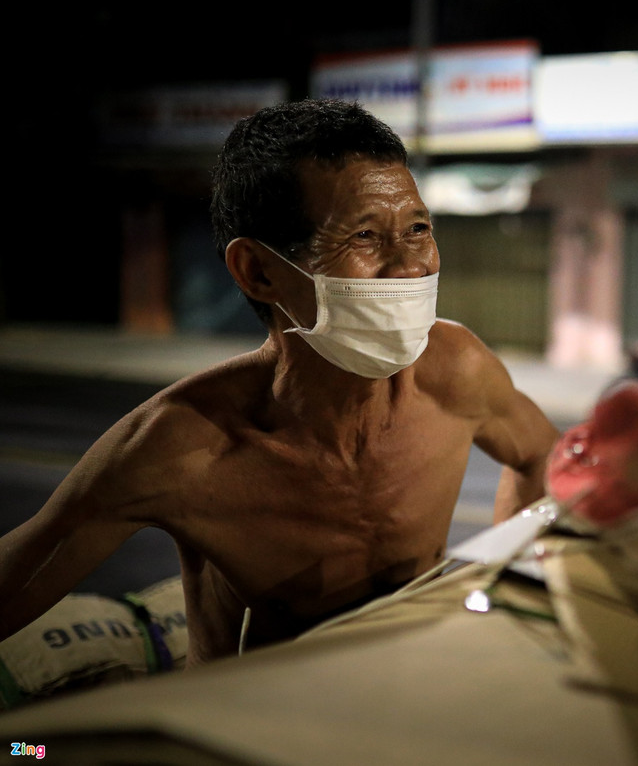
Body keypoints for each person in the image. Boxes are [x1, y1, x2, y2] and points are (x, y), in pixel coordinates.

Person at [0, 99, 560, 665]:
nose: (410, 265)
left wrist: (512, 587)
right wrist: (30, 755)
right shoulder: (184, 448)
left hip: (410, 705)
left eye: (417, 228)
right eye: (364, 236)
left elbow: (542, 457)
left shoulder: (458, 370)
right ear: (259, 271)